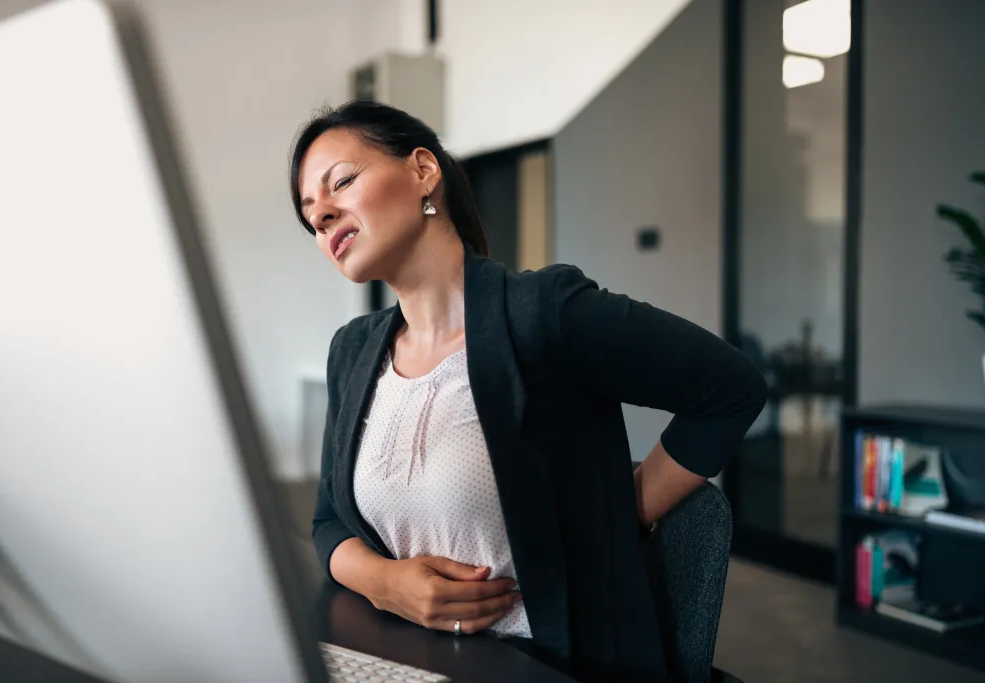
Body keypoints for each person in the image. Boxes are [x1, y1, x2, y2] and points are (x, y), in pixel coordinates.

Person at [288, 100, 767, 683]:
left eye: (341, 183)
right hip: (404, 654)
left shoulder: (542, 314)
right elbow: (328, 521)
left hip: (540, 663)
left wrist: (617, 514)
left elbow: (730, 390)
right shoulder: (353, 350)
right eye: (310, 215)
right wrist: (386, 585)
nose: (324, 218)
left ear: (421, 170)